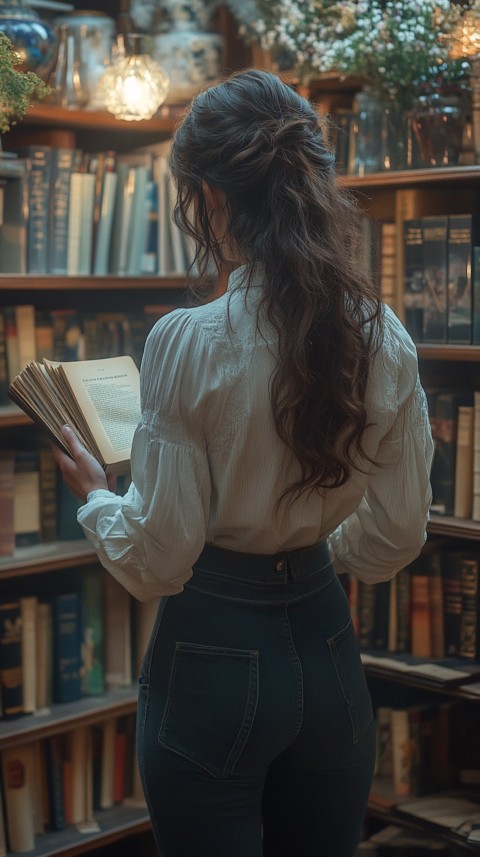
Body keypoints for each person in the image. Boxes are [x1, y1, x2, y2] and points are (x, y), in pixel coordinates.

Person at [53, 69, 433, 857]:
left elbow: (161, 558)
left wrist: (96, 496)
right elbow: (396, 536)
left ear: (212, 197)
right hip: (329, 652)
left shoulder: (190, 340)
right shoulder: (385, 333)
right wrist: (309, 556)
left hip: (213, 655)